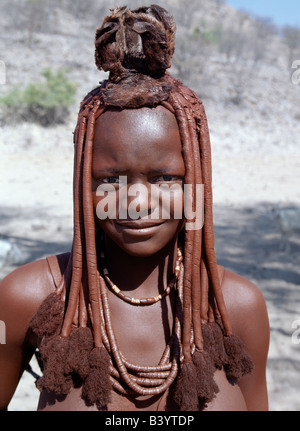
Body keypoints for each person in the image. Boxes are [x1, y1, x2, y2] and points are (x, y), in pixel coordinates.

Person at [0, 5, 269, 411]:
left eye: (165, 179)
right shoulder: (28, 298)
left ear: (196, 181)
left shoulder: (238, 308)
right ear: (83, 181)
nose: (138, 201)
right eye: (110, 179)